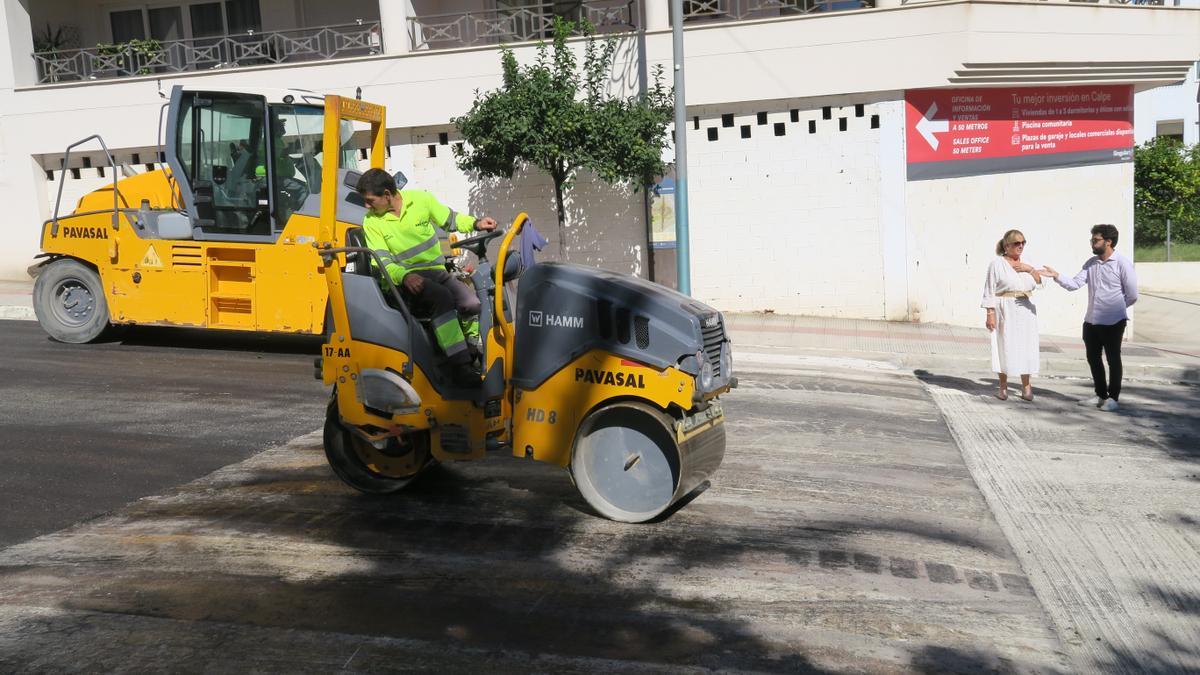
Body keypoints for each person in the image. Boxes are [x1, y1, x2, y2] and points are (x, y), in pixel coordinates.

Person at [356, 168, 497, 386]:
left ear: (386, 194)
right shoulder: (372, 222)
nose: (367, 206)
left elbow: (450, 219)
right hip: (403, 282)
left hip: (437, 273)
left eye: (369, 201)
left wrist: (477, 223)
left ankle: (470, 353)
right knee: (442, 299)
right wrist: (404, 277)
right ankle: (460, 368)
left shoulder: (420, 200)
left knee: (472, 304)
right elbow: (382, 262)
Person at [1042, 224, 1138, 412]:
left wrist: (1115, 308)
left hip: (1113, 321)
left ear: (1108, 242)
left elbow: (1132, 294)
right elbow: (1074, 283)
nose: (1092, 243)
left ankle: (1113, 398)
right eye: (1092, 240)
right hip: (1092, 320)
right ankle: (1100, 395)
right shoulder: (1091, 263)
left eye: (1096, 240)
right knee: (1093, 358)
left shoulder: (1122, 263)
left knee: (1113, 359)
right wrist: (1056, 276)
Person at [981, 229, 1042, 402]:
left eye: (1023, 242)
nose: (1020, 246)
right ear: (1007, 245)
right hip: (1004, 307)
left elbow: (1039, 281)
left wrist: (1028, 269)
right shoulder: (997, 264)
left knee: (1027, 346)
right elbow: (989, 289)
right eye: (1016, 243)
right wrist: (990, 313)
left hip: (1025, 307)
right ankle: (1003, 387)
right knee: (1004, 345)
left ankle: (1026, 386)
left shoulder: (1027, 261)